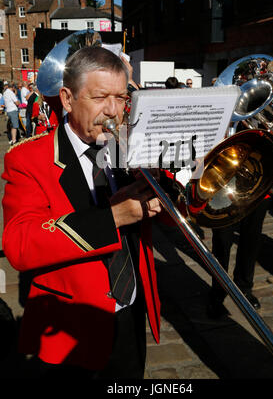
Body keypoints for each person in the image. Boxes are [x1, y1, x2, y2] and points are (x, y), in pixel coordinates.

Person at [2, 46, 167, 379]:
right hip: (72, 325)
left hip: (130, 311)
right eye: (100, 97)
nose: (112, 111)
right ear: (66, 99)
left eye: (120, 98)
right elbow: (19, 244)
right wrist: (115, 216)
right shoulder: (28, 158)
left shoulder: (126, 146)